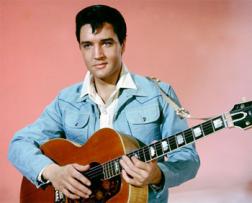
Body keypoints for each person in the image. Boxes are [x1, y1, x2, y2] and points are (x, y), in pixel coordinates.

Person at [8, 4, 200, 202]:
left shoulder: (158, 94)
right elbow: (19, 144)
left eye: (106, 43)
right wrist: (52, 172)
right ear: (80, 48)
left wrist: (159, 175)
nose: (97, 54)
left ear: (122, 44)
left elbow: (188, 159)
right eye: (88, 45)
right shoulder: (66, 101)